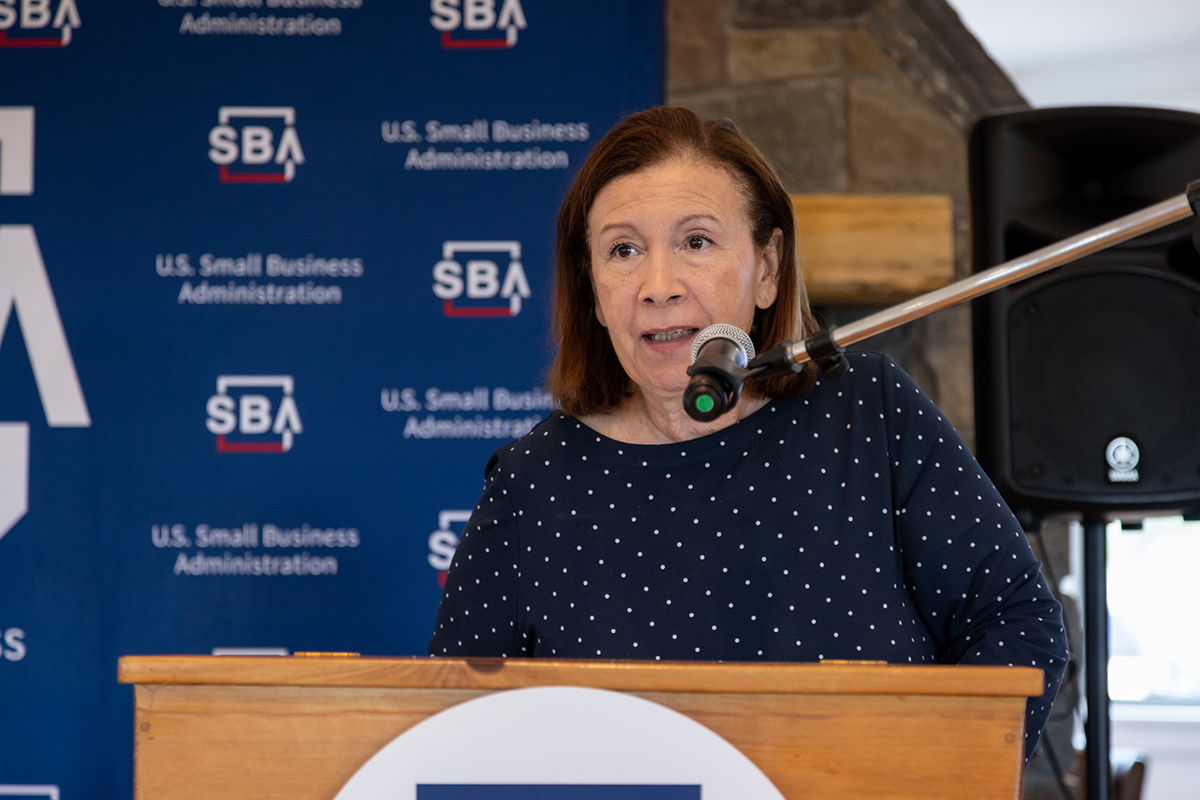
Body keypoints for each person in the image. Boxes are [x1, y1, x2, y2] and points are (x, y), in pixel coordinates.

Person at [428, 106, 1067, 759]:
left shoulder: (869, 412)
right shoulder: (532, 483)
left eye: (696, 241)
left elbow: (1018, 623)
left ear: (767, 267)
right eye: (623, 250)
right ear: (593, 291)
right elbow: (454, 726)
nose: (658, 286)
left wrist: (922, 775)